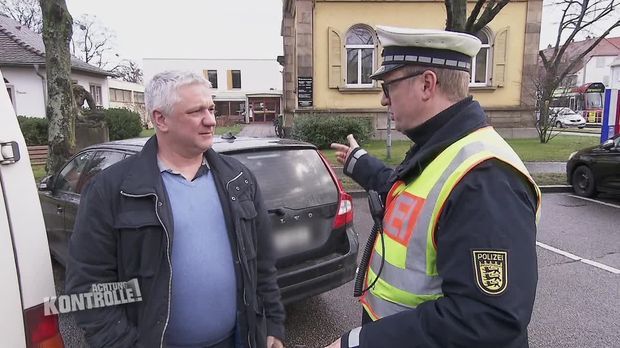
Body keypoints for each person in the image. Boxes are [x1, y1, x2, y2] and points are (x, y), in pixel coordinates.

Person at [327, 26, 541, 348]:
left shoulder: (485, 179)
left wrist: (359, 342)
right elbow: (409, 195)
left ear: (427, 84)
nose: (383, 98)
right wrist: (360, 163)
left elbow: (486, 319)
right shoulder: (444, 147)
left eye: (389, 85)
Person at [65, 71, 285, 348]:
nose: (211, 120)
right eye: (196, 111)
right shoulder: (111, 191)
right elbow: (90, 290)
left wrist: (273, 324)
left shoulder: (238, 180)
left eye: (211, 109)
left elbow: (263, 264)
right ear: (160, 119)